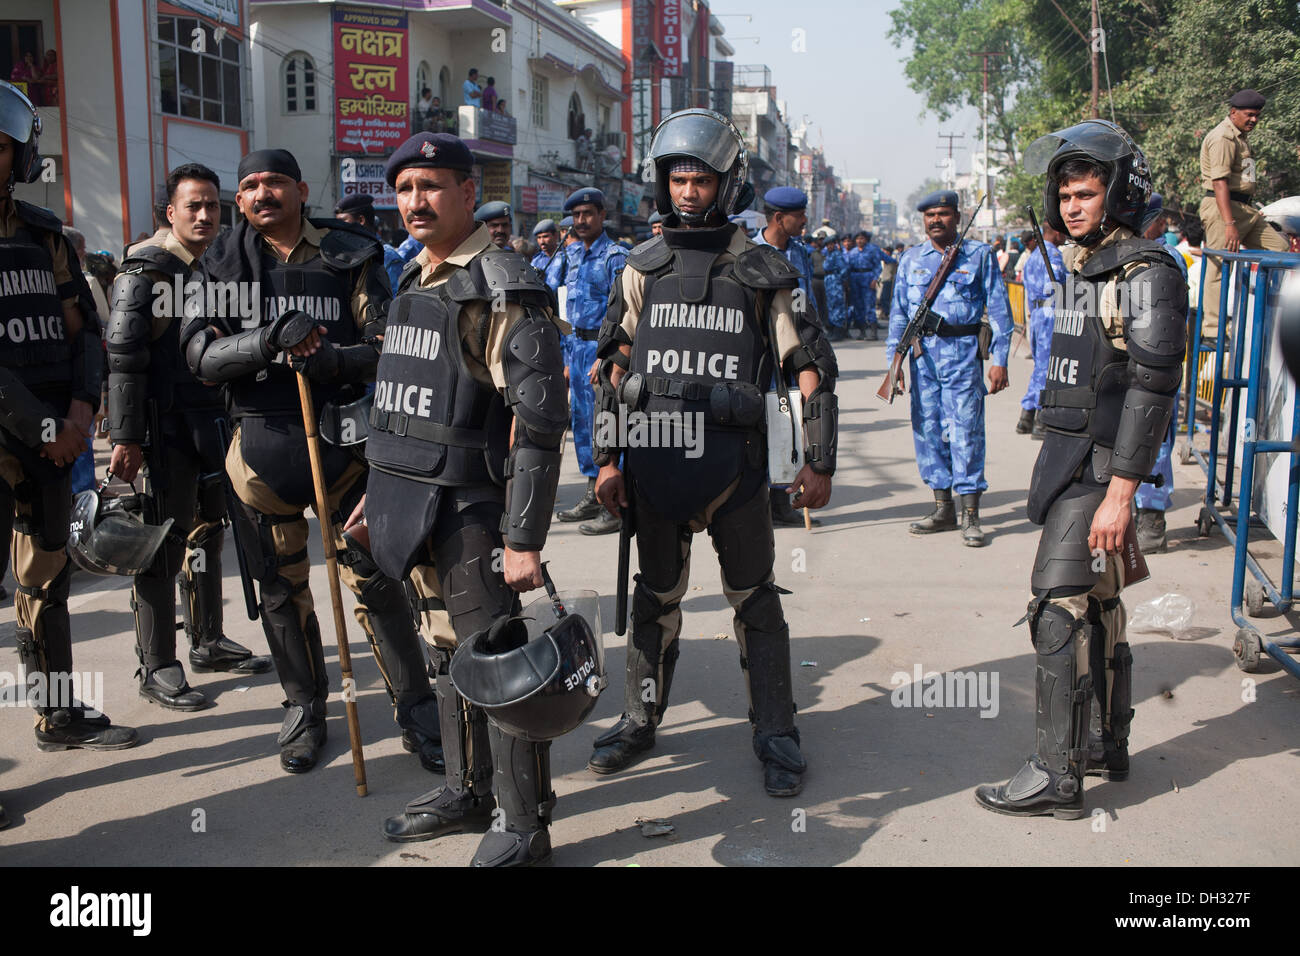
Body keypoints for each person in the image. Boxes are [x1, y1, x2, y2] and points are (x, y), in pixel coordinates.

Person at [586, 107, 839, 796]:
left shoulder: (762, 271)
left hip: (737, 469)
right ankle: (639, 717)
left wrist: (816, 462)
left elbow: (807, 368)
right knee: (654, 598)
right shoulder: (640, 268)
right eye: (678, 179)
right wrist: (608, 461)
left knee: (755, 600)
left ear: (728, 184)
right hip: (654, 464)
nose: (688, 193)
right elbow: (611, 367)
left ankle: (777, 731)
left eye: (701, 179)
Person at [180, 148, 441, 775]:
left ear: (300, 189)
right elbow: (198, 355)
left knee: (375, 577)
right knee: (279, 585)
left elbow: (390, 343)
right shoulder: (216, 264)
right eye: (248, 186)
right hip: (261, 449)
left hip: (348, 445)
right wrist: (267, 340)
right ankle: (303, 708)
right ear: (237, 201)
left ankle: (419, 711)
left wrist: (333, 363)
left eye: (273, 182)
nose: (261, 193)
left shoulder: (350, 253)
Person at [358, 132, 570, 865]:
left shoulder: (502, 282)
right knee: (447, 657)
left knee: (499, 666)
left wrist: (523, 539)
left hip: (474, 511)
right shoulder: (414, 280)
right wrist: (374, 496)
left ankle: (524, 825)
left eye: (432, 186)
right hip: (412, 504)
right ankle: (465, 787)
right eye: (406, 187)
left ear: (468, 192)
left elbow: (540, 422)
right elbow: (398, 401)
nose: (415, 201)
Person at [976, 119, 1187, 819]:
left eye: (1086, 193)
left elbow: (1154, 389)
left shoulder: (1145, 272)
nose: (1071, 206)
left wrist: (1121, 494)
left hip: (1101, 474)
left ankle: (1055, 775)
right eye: (1065, 194)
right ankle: (1103, 743)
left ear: (1118, 194)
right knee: (1097, 605)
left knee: (1055, 613)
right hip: (1069, 464)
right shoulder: (1081, 265)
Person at [0, 80, 138, 788]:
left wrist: (84, 411)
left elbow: (83, 330)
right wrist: (48, 425)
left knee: (47, 578)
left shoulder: (44, 235)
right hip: (19, 436)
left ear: (20, 156)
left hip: (55, 440)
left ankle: (57, 714)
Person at [106, 163, 274, 713]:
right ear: (169, 212)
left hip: (210, 424)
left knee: (208, 535)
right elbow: (124, 360)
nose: (204, 216)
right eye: (192, 206)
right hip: (161, 429)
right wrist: (127, 439)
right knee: (161, 544)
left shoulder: (215, 270)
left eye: (212, 206)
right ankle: (158, 664)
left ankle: (206, 641)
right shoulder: (143, 270)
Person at [887, 190, 1013, 547]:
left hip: (962, 356)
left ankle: (970, 514)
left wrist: (1000, 360)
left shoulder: (979, 255)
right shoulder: (911, 260)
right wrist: (893, 365)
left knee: (966, 431)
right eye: (929, 215)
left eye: (942, 214)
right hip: (922, 359)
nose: (935, 220)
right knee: (927, 429)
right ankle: (943, 507)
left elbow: (1002, 313)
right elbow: (898, 316)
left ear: (957, 217)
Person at [551, 187, 627, 535]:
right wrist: (567, 357)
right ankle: (591, 492)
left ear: (602, 215)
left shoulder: (615, 256)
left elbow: (626, 313)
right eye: (576, 216)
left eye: (587, 214)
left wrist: (607, 357)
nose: (581, 221)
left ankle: (614, 505)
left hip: (604, 352)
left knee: (605, 424)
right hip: (577, 349)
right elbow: (565, 308)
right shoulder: (571, 256)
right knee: (583, 424)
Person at [756, 186, 823, 528]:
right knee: (767, 425)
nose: (805, 221)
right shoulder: (751, 254)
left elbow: (803, 304)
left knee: (796, 424)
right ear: (780, 219)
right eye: (799, 216)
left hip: (798, 352)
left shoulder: (799, 253)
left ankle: (785, 501)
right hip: (762, 355)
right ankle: (764, 502)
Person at [1199, 89, 1289, 340]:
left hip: (1246, 209)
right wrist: (1229, 223)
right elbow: (1219, 183)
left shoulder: (1241, 137)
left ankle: (1272, 314)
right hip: (1223, 208)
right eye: (1250, 115)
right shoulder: (1224, 137)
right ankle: (1212, 330)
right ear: (1233, 112)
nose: (1254, 120)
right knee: (1219, 264)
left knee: (1280, 248)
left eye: (1257, 116)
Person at [1017, 222, 1066, 436]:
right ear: (1055, 232)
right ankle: (1041, 419)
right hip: (1049, 313)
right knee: (1048, 368)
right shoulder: (1051, 255)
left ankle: (1027, 415)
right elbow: (1054, 286)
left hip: (1037, 314)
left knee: (1041, 367)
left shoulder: (1034, 255)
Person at [336, 193, 405, 291]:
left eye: (343, 221)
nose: (338, 227)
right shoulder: (343, 255)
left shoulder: (387, 256)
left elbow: (396, 301)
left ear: (361, 220)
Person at [846, 230, 882, 339]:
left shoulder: (872, 251)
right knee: (858, 307)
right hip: (855, 278)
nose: (859, 241)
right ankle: (862, 332)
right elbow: (848, 268)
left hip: (868, 278)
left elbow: (878, 266)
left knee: (869, 305)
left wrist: (875, 279)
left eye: (862, 238)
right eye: (857, 239)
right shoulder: (852, 252)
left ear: (866, 240)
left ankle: (873, 332)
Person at [822, 232, 850, 341]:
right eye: (827, 244)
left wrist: (840, 279)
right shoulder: (828, 254)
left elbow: (844, 269)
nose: (829, 246)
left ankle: (838, 330)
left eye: (831, 244)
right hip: (828, 281)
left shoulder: (837, 254)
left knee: (837, 305)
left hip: (835, 281)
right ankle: (833, 328)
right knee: (831, 305)